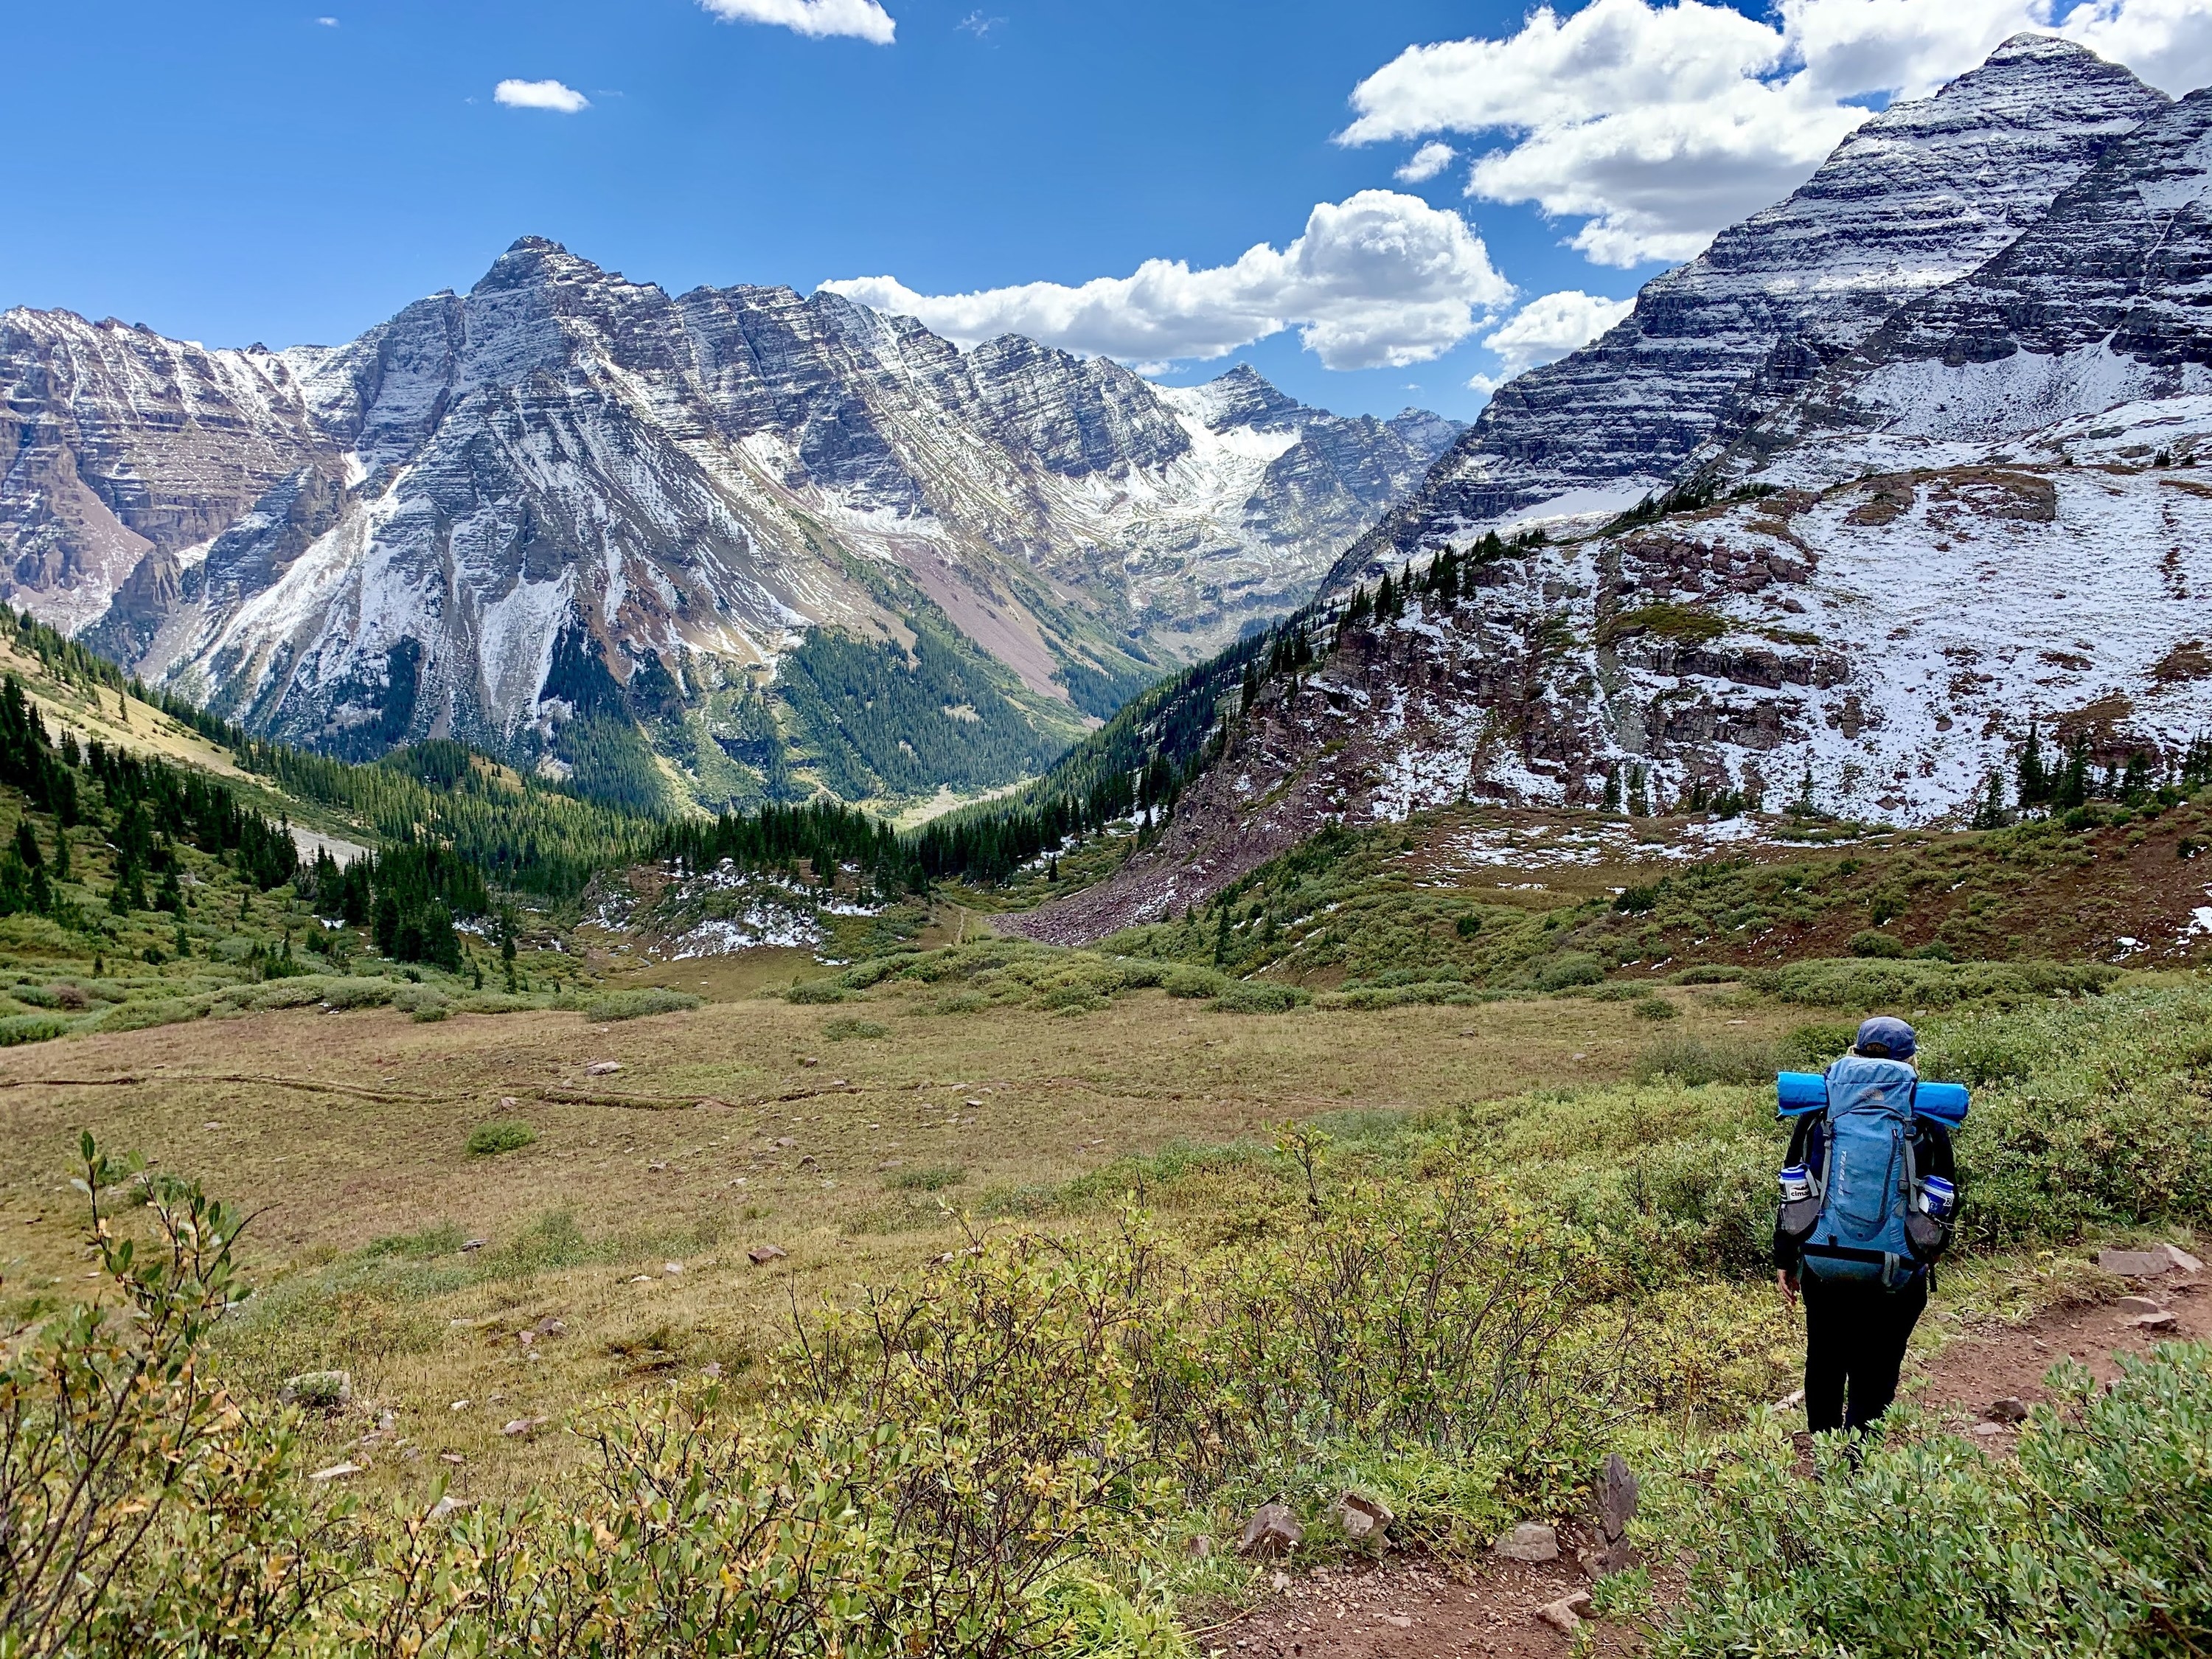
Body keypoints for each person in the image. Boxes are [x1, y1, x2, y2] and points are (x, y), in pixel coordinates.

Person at [1774, 1015, 1955, 1433]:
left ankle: (1826, 1457)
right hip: (1897, 1269)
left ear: (1854, 1055)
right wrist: (1927, 1250)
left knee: (1824, 1360)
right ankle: (1860, 1467)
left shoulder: (1821, 1113)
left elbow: (1795, 1186)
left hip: (1825, 1262)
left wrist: (1787, 1256)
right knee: (1878, 1366)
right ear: (1910, 1059)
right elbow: (1946, 1195)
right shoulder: (1924, 1116)